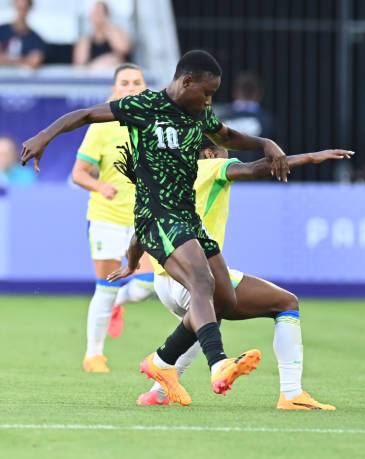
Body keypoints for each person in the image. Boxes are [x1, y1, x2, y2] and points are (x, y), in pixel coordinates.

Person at [21, 50, 291, 405]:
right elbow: (85, 114)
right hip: (157, 215)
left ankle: (162, 361)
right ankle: (218, 364)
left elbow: (227, 136)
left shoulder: (199, 114)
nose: (209, 101)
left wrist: (265, 143)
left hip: (187, 218)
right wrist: (44, 135)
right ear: (186, 81)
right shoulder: (144, 106)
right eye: (207, 93)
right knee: (202, 282)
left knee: (224, 299)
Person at [109, 142, 352, 409]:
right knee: (287, 303)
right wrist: (310, 156)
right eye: (226, 152)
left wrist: (131, 265)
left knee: (201, 324)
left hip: (164, 283)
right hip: (197, 278)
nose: (230, 158)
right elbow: (256, 168)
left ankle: (159, 391)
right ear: (211, 153)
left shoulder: (166, 178)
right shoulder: (212, 166)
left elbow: (140, 232)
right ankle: (291, 394)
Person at [71, 63, 155, 373]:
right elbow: (78, 174)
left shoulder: (154, 125)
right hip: (106, 216)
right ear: (114, 90)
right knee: (104, 286)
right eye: (125, 82)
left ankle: (117, 304)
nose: (131, 87)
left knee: (147, 285)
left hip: (143, 219)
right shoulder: (102, 126)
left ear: (145, 89)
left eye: (137, 82)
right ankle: (94, 355)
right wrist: (99, 185)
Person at [222, 72, 276, 162]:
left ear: (235, 92)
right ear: (259, 93)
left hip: (228, 172)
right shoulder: (267, 120)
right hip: (258, 172)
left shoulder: (222, 118)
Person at [73, 1, 131, 69]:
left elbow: (124, 50)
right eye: (94, 13)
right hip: (93, 74)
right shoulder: (86, 39)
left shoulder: (116, 32)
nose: (97, 16)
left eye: (100, 13)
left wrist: (107, 28)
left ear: (106, 15)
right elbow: (79, 63)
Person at [0, 0, 46, 69]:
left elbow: (34, 62)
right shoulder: (2, 31)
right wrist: (24, 60)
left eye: (24, 8)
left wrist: (7, 59)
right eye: (19, 7)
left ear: (29, 8)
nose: (21, 12)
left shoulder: (36, 39)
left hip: (23, 79)